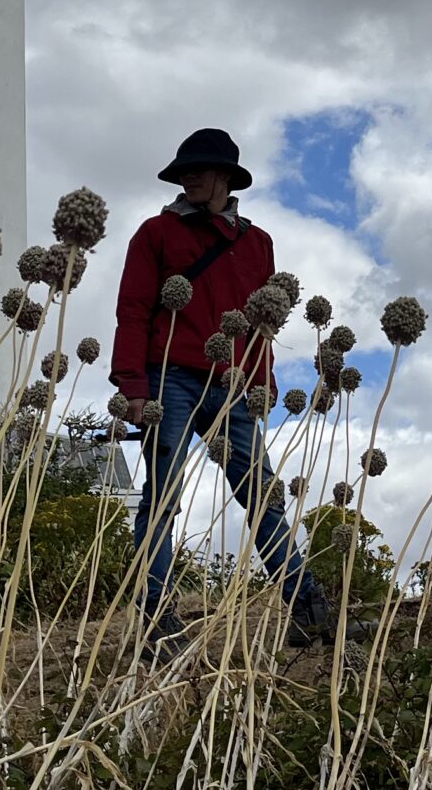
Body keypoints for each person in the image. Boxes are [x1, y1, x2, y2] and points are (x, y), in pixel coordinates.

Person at [111, 128, 335, 654]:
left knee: (263, 497)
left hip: (234, 387)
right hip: (169, 378)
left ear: (226, 178)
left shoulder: (258, 244)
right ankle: (157, 620)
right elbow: (133, 310)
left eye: (199, 170)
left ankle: (307, 610)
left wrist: (264, 380)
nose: (188, 178)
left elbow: (265, 324)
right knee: (162, 499)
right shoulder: (155, 233)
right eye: (183, 171)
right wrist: (133, 386)